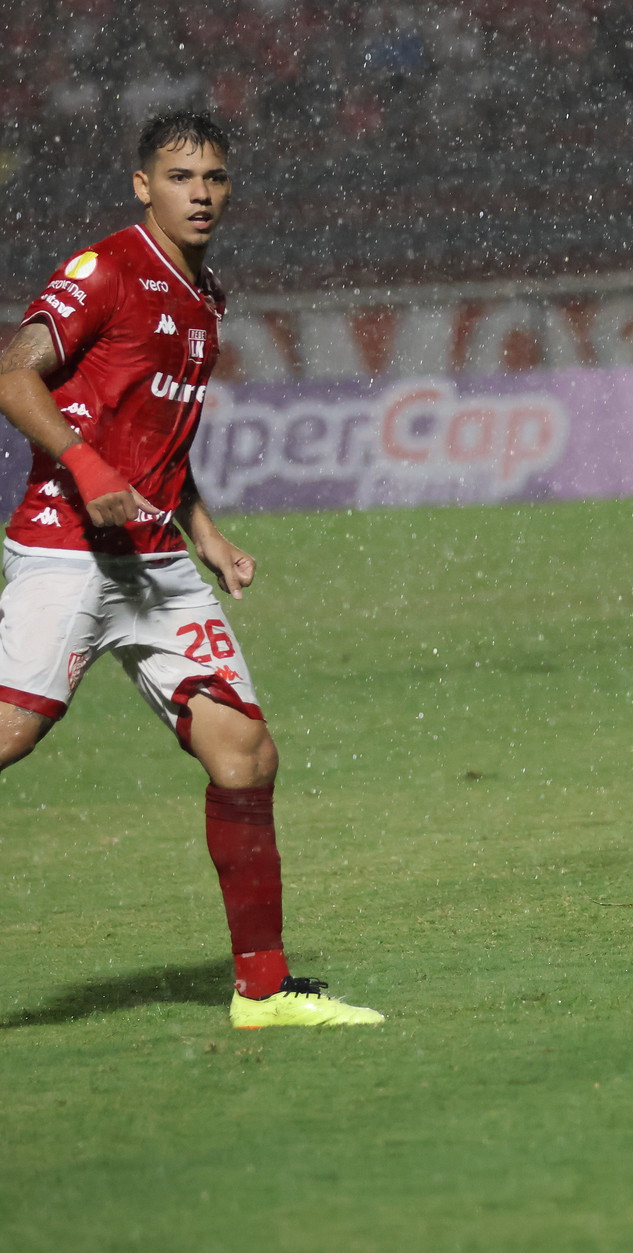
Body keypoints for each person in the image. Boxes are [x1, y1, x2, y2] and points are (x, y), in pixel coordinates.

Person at [0, 111, 381, 1028]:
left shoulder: (207, 294)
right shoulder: (108, 270)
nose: (200, 192)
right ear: (143, 186)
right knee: (8, 737)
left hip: (160, 560)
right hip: (70, 550)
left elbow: (162, 435)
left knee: (245, 755)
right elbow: (14, 373)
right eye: (180, 177)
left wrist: (205, 528)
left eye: (213, 176)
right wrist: (87, 469)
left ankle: (263, 990)